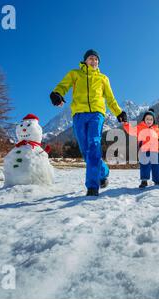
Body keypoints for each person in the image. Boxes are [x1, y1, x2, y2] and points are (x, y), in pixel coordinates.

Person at [50, 49, 127, 197]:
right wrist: (57, 94)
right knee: (86, 151)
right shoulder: (75, 74)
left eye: (96, 59)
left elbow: (110, 99)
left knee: (94, 144)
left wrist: (119, 112)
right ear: (85, 61)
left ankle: (92, 187)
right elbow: (63, 86)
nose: (93, 61)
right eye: (91, 58)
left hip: (97, 114)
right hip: (78, 114)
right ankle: (103, 171)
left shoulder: (103, 78)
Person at [123, 109, 159, 188]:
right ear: (144, 119)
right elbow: (131, 130)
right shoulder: (140, 127)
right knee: (144, 166)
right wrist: (125, 123)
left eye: (151, 119)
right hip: (144, 151)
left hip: (155, 151)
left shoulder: (156, 129)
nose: (149, 121)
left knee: (157, 166)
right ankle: (144, 180)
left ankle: (157, 180)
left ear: (153, 120)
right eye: (147, 119)